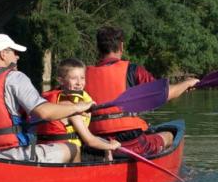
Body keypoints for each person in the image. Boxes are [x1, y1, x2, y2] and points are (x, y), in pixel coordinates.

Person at [85, 26, 199, 156]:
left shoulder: (82, 76)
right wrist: (186, 84)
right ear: (121, 46)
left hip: (96, 143)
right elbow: (165, 94)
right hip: (131, 142)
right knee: (169, 135)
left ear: (98, 48)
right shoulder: (133, 71)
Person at [0, 34, 94, 163]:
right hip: (12, 153)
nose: (17, 56)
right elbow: (44, 112)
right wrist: (78, 107)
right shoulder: (14, 77)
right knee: (73, 148)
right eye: (14, 52)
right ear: (3, 54)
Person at [35, 58, 121, 162]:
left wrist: (106, 145)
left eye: (82, 78)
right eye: (74, 78)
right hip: (67, 156)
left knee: (103, 146)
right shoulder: (69, 108)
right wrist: (111, 146)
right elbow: (90, 141)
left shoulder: (52, 103)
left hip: (49, 150)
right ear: (61, 80)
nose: (79, 83)